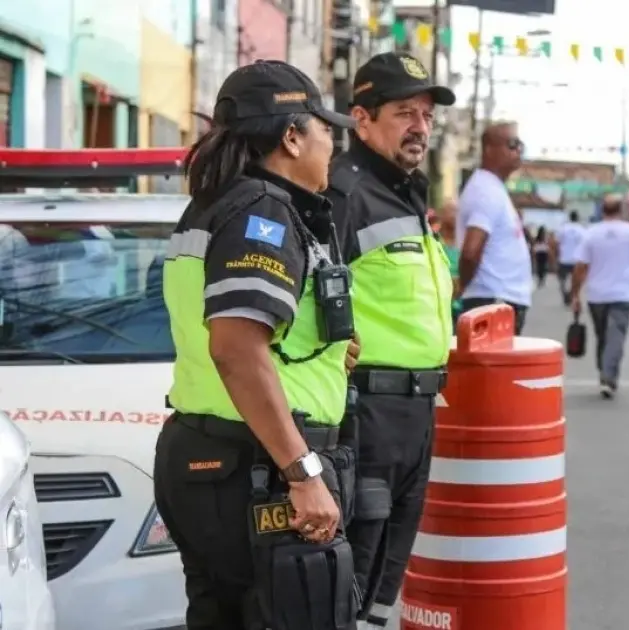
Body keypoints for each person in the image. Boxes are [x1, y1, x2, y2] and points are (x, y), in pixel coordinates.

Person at [153, 60, 360, 629]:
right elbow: (237, 347)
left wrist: (325, 353)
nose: (331, 149)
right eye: (326, 131)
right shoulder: (263, 211)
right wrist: (302, 472)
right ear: (291, 137)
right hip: (256, 466)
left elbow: (245, 333)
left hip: (213, 457)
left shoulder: (216, 204)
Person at [324, 52, 456, 629]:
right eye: (405, 113)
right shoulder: (343, 193)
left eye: (426, 115)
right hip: (366, 414)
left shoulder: (405, 194)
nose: (420, 127)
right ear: (362, 118)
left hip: (417, 416)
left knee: (383, 594)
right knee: (348, 587)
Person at [457, 122, 532, 333]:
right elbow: (471, 251)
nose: (518, 150)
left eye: (520, 145)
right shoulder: (485, 190)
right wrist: (464, 286)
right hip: (492, 302)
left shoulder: (493, 187)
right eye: (512, 144)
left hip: (498, 300)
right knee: (493, 366)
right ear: (489, 149)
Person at [570, 196, 629, 398]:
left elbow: (580, 267)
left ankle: (606, 376)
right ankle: (607, 375)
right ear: (621, 210)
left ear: (602, 210)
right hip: (623, 293)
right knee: (614, 338)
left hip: (597, 294)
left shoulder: (591, 233)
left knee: (604, 337)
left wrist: (576, 293)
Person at [437, 201, 465, 325]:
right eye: (450, 211)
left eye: (456, 211)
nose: (454, 215)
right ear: (441, 215)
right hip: (440, 304)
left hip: (461, 305)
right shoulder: (434, 241)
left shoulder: (464, 242)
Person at [555, 211, 586, 306]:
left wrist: (557, 255)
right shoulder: (582, 230)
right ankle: (571, 294)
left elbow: (557, 242)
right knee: (576, 280)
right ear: (577, 218)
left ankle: (565, 292)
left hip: (564, 258)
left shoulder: (563, 229)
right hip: (577, 260)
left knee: (561, 279)